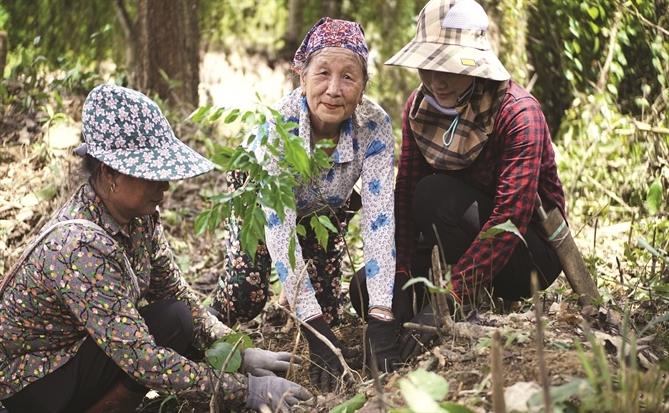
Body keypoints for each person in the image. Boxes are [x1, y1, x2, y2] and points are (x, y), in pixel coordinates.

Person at [0, 84, 312, 413]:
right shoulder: (80, 245)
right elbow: (140, 357)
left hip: (82, 351)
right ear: (110, 173)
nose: (164, 186)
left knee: (175, 318)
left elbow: (176, 295)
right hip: (36, 382)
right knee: (162, 339)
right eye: (152, 175)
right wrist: (245, 390)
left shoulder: (138, 219)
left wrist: (235, 351)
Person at [211, 17, 402, 391]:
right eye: (322, 73)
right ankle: (202, 330)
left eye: (349, 77)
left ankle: (300, 301)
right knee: (246, 294)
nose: (334, 89)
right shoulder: (278, 126)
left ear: (363, 88)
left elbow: (380, 220)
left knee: (327, 312)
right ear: (302, 78)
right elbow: (279, 228)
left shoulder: (375, 126)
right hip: (262, 199)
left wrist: (381, 315)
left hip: (326, 208)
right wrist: (312, 328)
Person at [385, 0, 566, 360]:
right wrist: (402, 275)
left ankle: (473, 296)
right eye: (428, 66)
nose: (437, 81)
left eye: (449, 67)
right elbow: (403, 195)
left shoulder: (518, 113)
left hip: (524, 252)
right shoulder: (419, 107)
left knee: (433, 195)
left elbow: (509, 218)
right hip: (457, 239)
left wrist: (449, 298)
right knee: (367, 289)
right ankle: (438, 296)